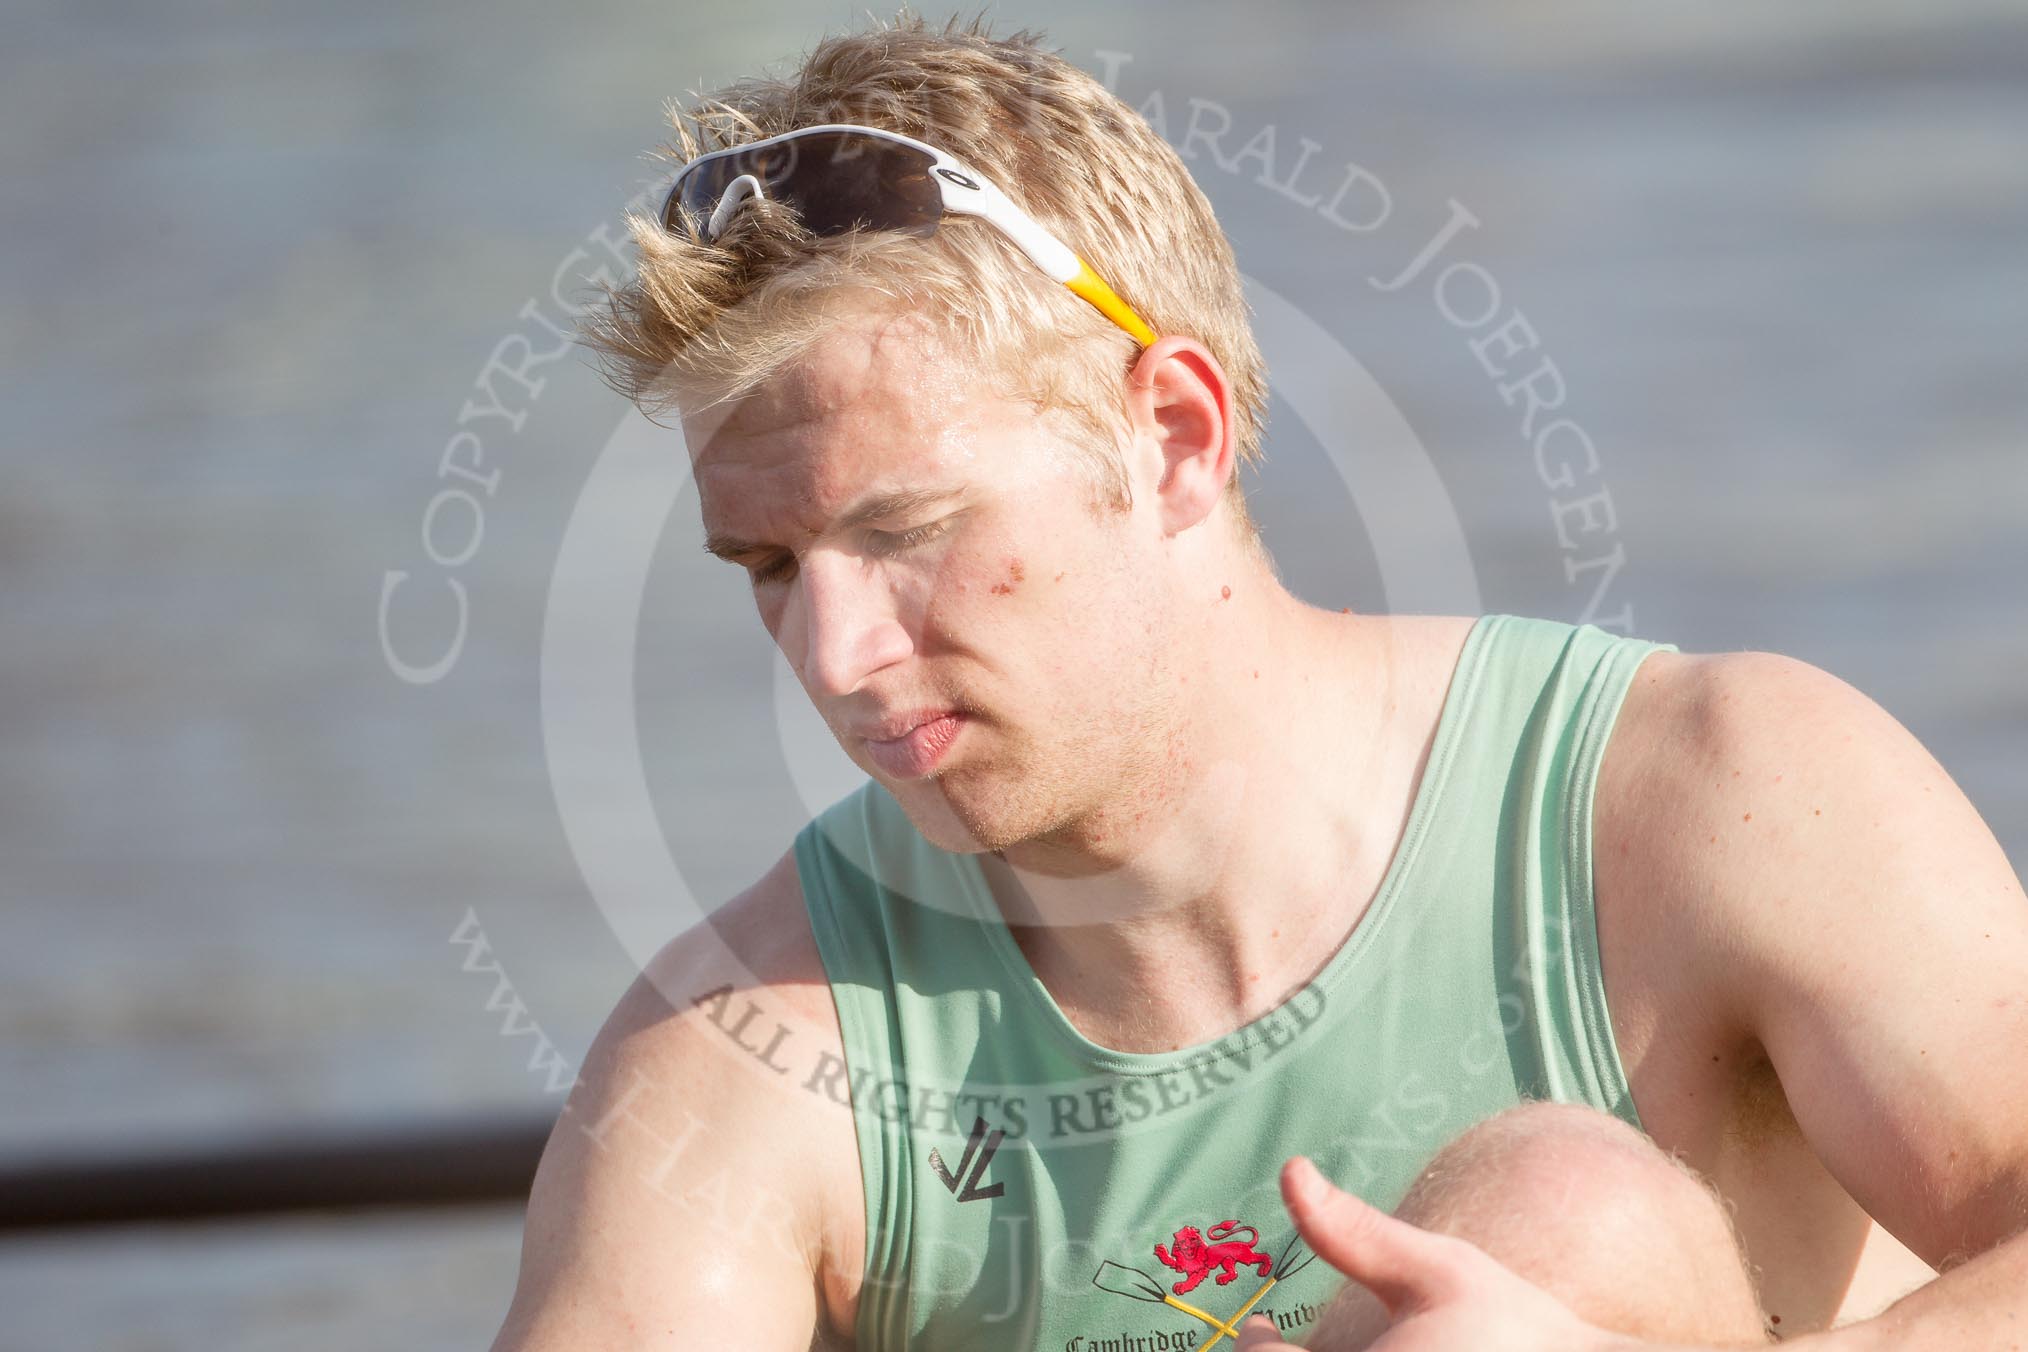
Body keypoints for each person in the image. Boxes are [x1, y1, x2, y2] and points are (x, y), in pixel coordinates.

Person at [490, 11, 2028, 1350]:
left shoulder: (1725, 795)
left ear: (1172, 438)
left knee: (1568, 1213)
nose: (833, 659)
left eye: (905, 530)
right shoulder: (743, 1051)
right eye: (770, 568)